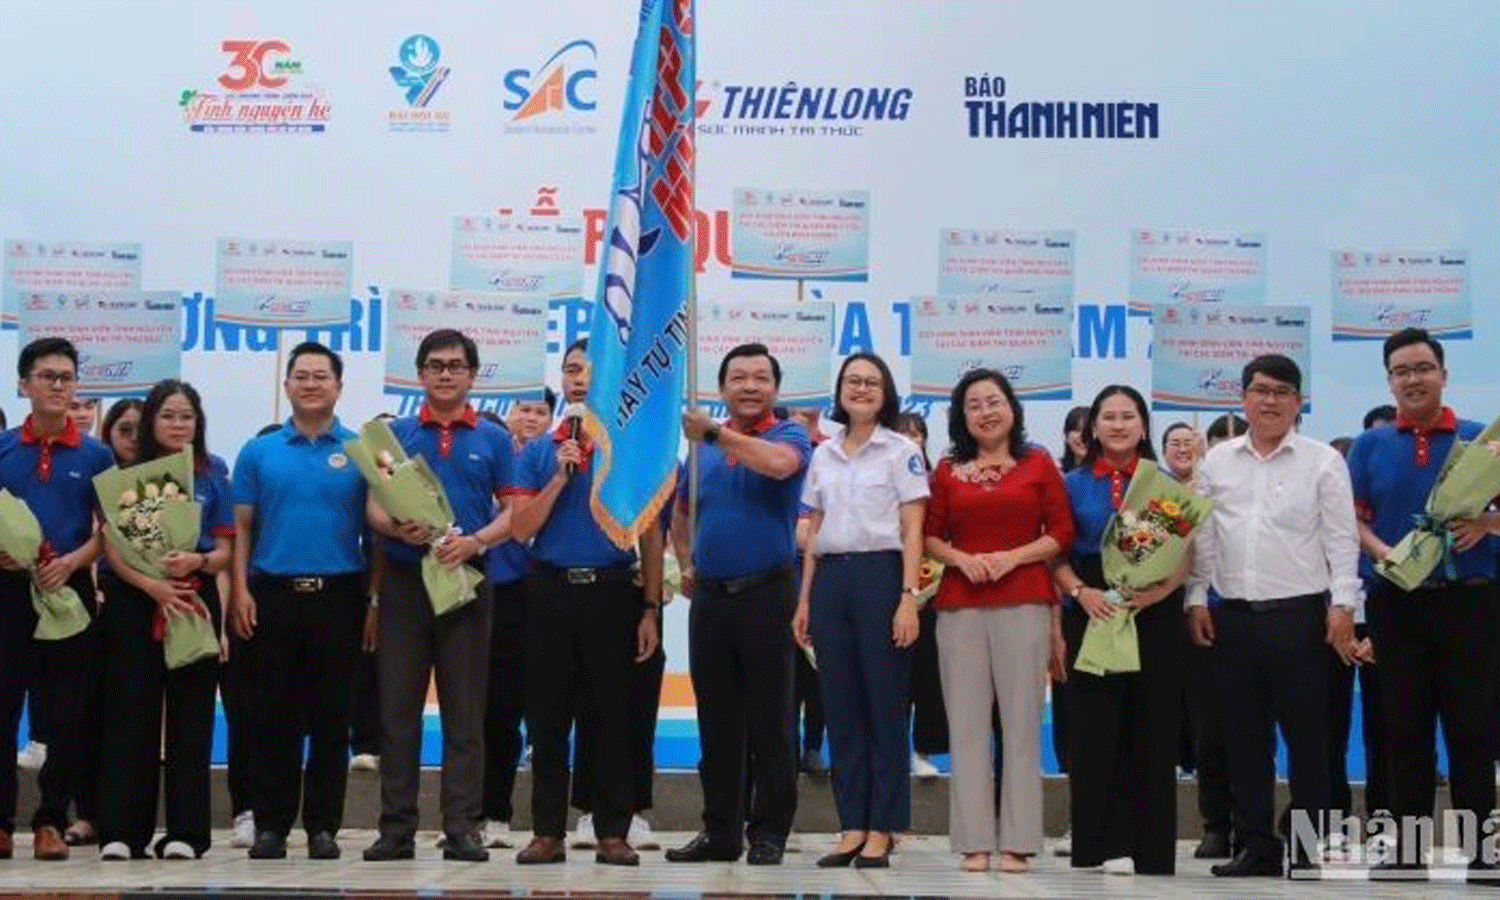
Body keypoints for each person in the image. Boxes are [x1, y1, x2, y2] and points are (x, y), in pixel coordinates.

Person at [1187, 354, 1359, 877]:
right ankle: (1257, 847)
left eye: (1282, 391)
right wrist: (1196, 597)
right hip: (1233, 616)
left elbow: (1341, 538)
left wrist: (1345, 605)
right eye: (1260, 390)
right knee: (1244, 740)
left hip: (1302, 618)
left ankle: (1306, 849)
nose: (1270, 400)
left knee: (1309, 739)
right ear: (1243, 398)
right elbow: (1202, 537)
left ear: (1298, 402)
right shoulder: (1216, 463)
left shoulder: (1322, 462)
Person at [361, 330, 517, 864]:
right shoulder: (396, 434)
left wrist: (476, 541)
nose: (445, 374)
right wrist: (393, 528)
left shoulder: (495, 439)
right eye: (434, 365)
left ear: (472, 375)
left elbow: (513, 512)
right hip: (406, 583)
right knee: (397, 712)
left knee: (465, 713)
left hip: (466, 581)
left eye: (455, 365)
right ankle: (396, 830)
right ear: (420, 375)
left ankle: (462, 829)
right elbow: (375, 506)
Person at [1347, 328, 1500, 871]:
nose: (1413, 379)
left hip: (1471, 603)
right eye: (1401, 371)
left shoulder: (1484, 443)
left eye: (1422, 368)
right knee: (1402, 730)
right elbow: (1352, 521)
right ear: (1389, 381)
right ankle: (1406, 854)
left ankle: (1484, 855)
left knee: (1473, 730)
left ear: (1443, 373)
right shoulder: (1369, 446)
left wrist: (1488, 521)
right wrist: (1383, 551)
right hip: (1397, 603)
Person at [509, 338, 661, 867]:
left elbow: (649, 532)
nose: (579, 380)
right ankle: (547, 832)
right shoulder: (535, 452)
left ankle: (612, 832)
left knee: (612, 717)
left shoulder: (631, 449)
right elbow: (520, 528)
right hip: (549, 590)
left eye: (591, 373)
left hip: (613, 592)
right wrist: (559, 476)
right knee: (547, 718)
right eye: (572, 370)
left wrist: (650, 608)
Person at [923, 368, 1073, 873]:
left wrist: (1014, 557)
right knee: (965, 729)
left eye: (994, 401)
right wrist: (960, 559)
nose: (986, 412)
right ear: (961, 417)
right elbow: (927, 534)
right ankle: (973, 842)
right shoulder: (946, 469)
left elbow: (1062, 531)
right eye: (974, 405)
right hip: (959, 607)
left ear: (1011, 408)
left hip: (1025, 602)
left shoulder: (1038, 463)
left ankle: (1019, 841)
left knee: (1022, 726)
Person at [667, 343, 811, 866]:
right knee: (717, 721)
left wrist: (713, 432)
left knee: (771, 721)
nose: (749, 386)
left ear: (774, 387)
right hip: (711, 600)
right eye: (738, 378)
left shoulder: (788, 434)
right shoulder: (701, 450)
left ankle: (769, 832)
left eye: (760, 378)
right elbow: (681, 514)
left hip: (768, 593)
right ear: (723, 388)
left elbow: (778, 467)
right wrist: (685, 562)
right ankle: (720, 833)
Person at [230, 342, 368, 861]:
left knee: (333, 718)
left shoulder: (359, 450)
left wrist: (372, 600)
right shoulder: (259, 450)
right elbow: (242, 527)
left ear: (338, 385)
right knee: (273, 716)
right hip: (272, 594)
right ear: (286, 385)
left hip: (340, 595)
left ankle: (323, 828)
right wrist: (241, 590)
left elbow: (375, 531)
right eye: (301, 376)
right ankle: (272, 826)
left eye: (321, 376)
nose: (311, 384)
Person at [793, 354, 927, 868]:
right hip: (830, 580)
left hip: (881, 576)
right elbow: (815, 529)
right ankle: (850, 823)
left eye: (872, 382)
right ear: (840, 391)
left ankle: (883, 827)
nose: (862, 389)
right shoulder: (824, 455)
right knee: (840, 707)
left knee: (883, 707)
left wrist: (907, 597)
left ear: (886, 392)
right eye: (853, 381)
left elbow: (913, 528)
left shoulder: (901, 451)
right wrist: (805, 599)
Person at [95, 380, 233, 860]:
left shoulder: (214, 473)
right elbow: (110, 545)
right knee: (130, 713)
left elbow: (224, 550)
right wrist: (150, 584)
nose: (178, 424)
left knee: (191, 719)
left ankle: (186, 834)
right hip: (135, 600)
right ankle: (122, 832)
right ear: (152, 421)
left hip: (192, 597)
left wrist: (197, 563)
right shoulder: (127, 474)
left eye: (187, 416)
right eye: (169, 415)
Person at [1051, 386, 1185, 875]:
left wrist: (1157, 594)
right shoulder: (1071, 484)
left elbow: (1183, 555)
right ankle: (1094, 844)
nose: (1119, 425)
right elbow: (1055, 554)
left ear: (1144, 425)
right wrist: (1080, 593)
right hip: (1092, 609)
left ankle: (1151, 850)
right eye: (1108, 417)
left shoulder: (1162, 483)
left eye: (1129, 416)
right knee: (1094, 730)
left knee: (1152, 729)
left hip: (1152, 612)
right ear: (1094, 427)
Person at [0, 337, 114, 861]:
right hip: (7, 591)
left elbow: (114, 530)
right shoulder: (3, 449)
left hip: (69, 590)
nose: (58, 386)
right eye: (47, 376)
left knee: (68, 713)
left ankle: (51, 818)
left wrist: (74, 561)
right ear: (24, 385)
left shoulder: (96, 454)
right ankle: (2, 823)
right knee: (4, 707)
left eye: (67, 377)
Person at [480, 388, 554, 850]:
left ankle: (555, 823)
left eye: (541, 410)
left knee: (547, 708)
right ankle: (494, 813)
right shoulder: (490, 459)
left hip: (547, 592)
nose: (531, 417)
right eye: (523, 408)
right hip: (499, 593)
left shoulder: (557, 461)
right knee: (498, 708)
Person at [894, 412, 947, 779]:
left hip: (934, 593)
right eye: (905, 434)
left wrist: (929, 584)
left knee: (928, 676)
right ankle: (892, 750)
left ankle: (924, 749)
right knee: (891, 678)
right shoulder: (879, 478)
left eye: (919, 435)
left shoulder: (937, 482)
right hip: (889, 590)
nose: (913, 441)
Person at [1059, 405, 1089, 473]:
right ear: (1066, 435)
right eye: (1076, 430)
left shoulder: (1108, 474)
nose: (1082, 436)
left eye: (1087, 431)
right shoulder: (1056, 470)